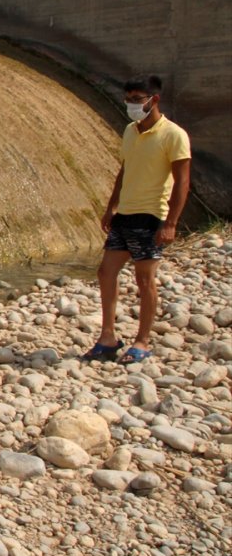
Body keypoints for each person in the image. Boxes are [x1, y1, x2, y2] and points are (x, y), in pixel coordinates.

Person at [84, 75, 191, 365]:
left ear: (153, 100)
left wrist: (170, 223)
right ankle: (108, 337)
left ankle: (142, 341)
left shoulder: (174, 135)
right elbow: (125, 168)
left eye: (136, 99)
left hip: (151, 215)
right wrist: (111, 206)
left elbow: (182, 182)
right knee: (106, 273)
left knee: (145, 279)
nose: (131, 104)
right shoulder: (130, 131)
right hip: (125, 214)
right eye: (128, 98)